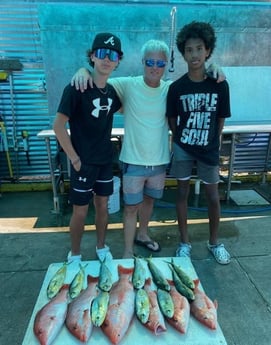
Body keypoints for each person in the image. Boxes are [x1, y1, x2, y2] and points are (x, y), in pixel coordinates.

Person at [71, 40, 225, 259]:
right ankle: (127, 251)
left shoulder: (170, 89)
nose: (155, 67)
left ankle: (142, 234)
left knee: (150, 202)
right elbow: (100, 78)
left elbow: (196, 80)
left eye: (160, 63)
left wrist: (215, 67)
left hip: (160, 161)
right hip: (133, 160)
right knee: (131, 207)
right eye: (150, 62)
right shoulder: (127, 84)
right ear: (143, 62)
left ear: (166, 65)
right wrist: (83, 70)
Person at [53, 32, 123, 262]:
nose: (107, 59)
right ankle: (74, 253)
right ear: (92, 56)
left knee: (103, 206)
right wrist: (73, 158)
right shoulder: (75, 88)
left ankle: (101, 247)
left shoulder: (112, 92)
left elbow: (126, 106)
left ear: (118, 61)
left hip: (104, 160)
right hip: (82, 162)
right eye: (102, 53)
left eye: (112, 55)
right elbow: (59, 126)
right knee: (80, 211)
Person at [166, 21, 231, 264]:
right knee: (181, 193)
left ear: (208, 51)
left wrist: (210, 140)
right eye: (189, 49)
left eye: (199, 48)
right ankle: (185, 243)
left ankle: (215, 243)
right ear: (183, 53)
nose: (194, 54)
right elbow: (172, 119)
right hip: (183, 147)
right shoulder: (176, 88)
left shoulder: (219, 84)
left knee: (213, 196)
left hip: (209, 149)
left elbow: (221, 118)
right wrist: (181, 138)